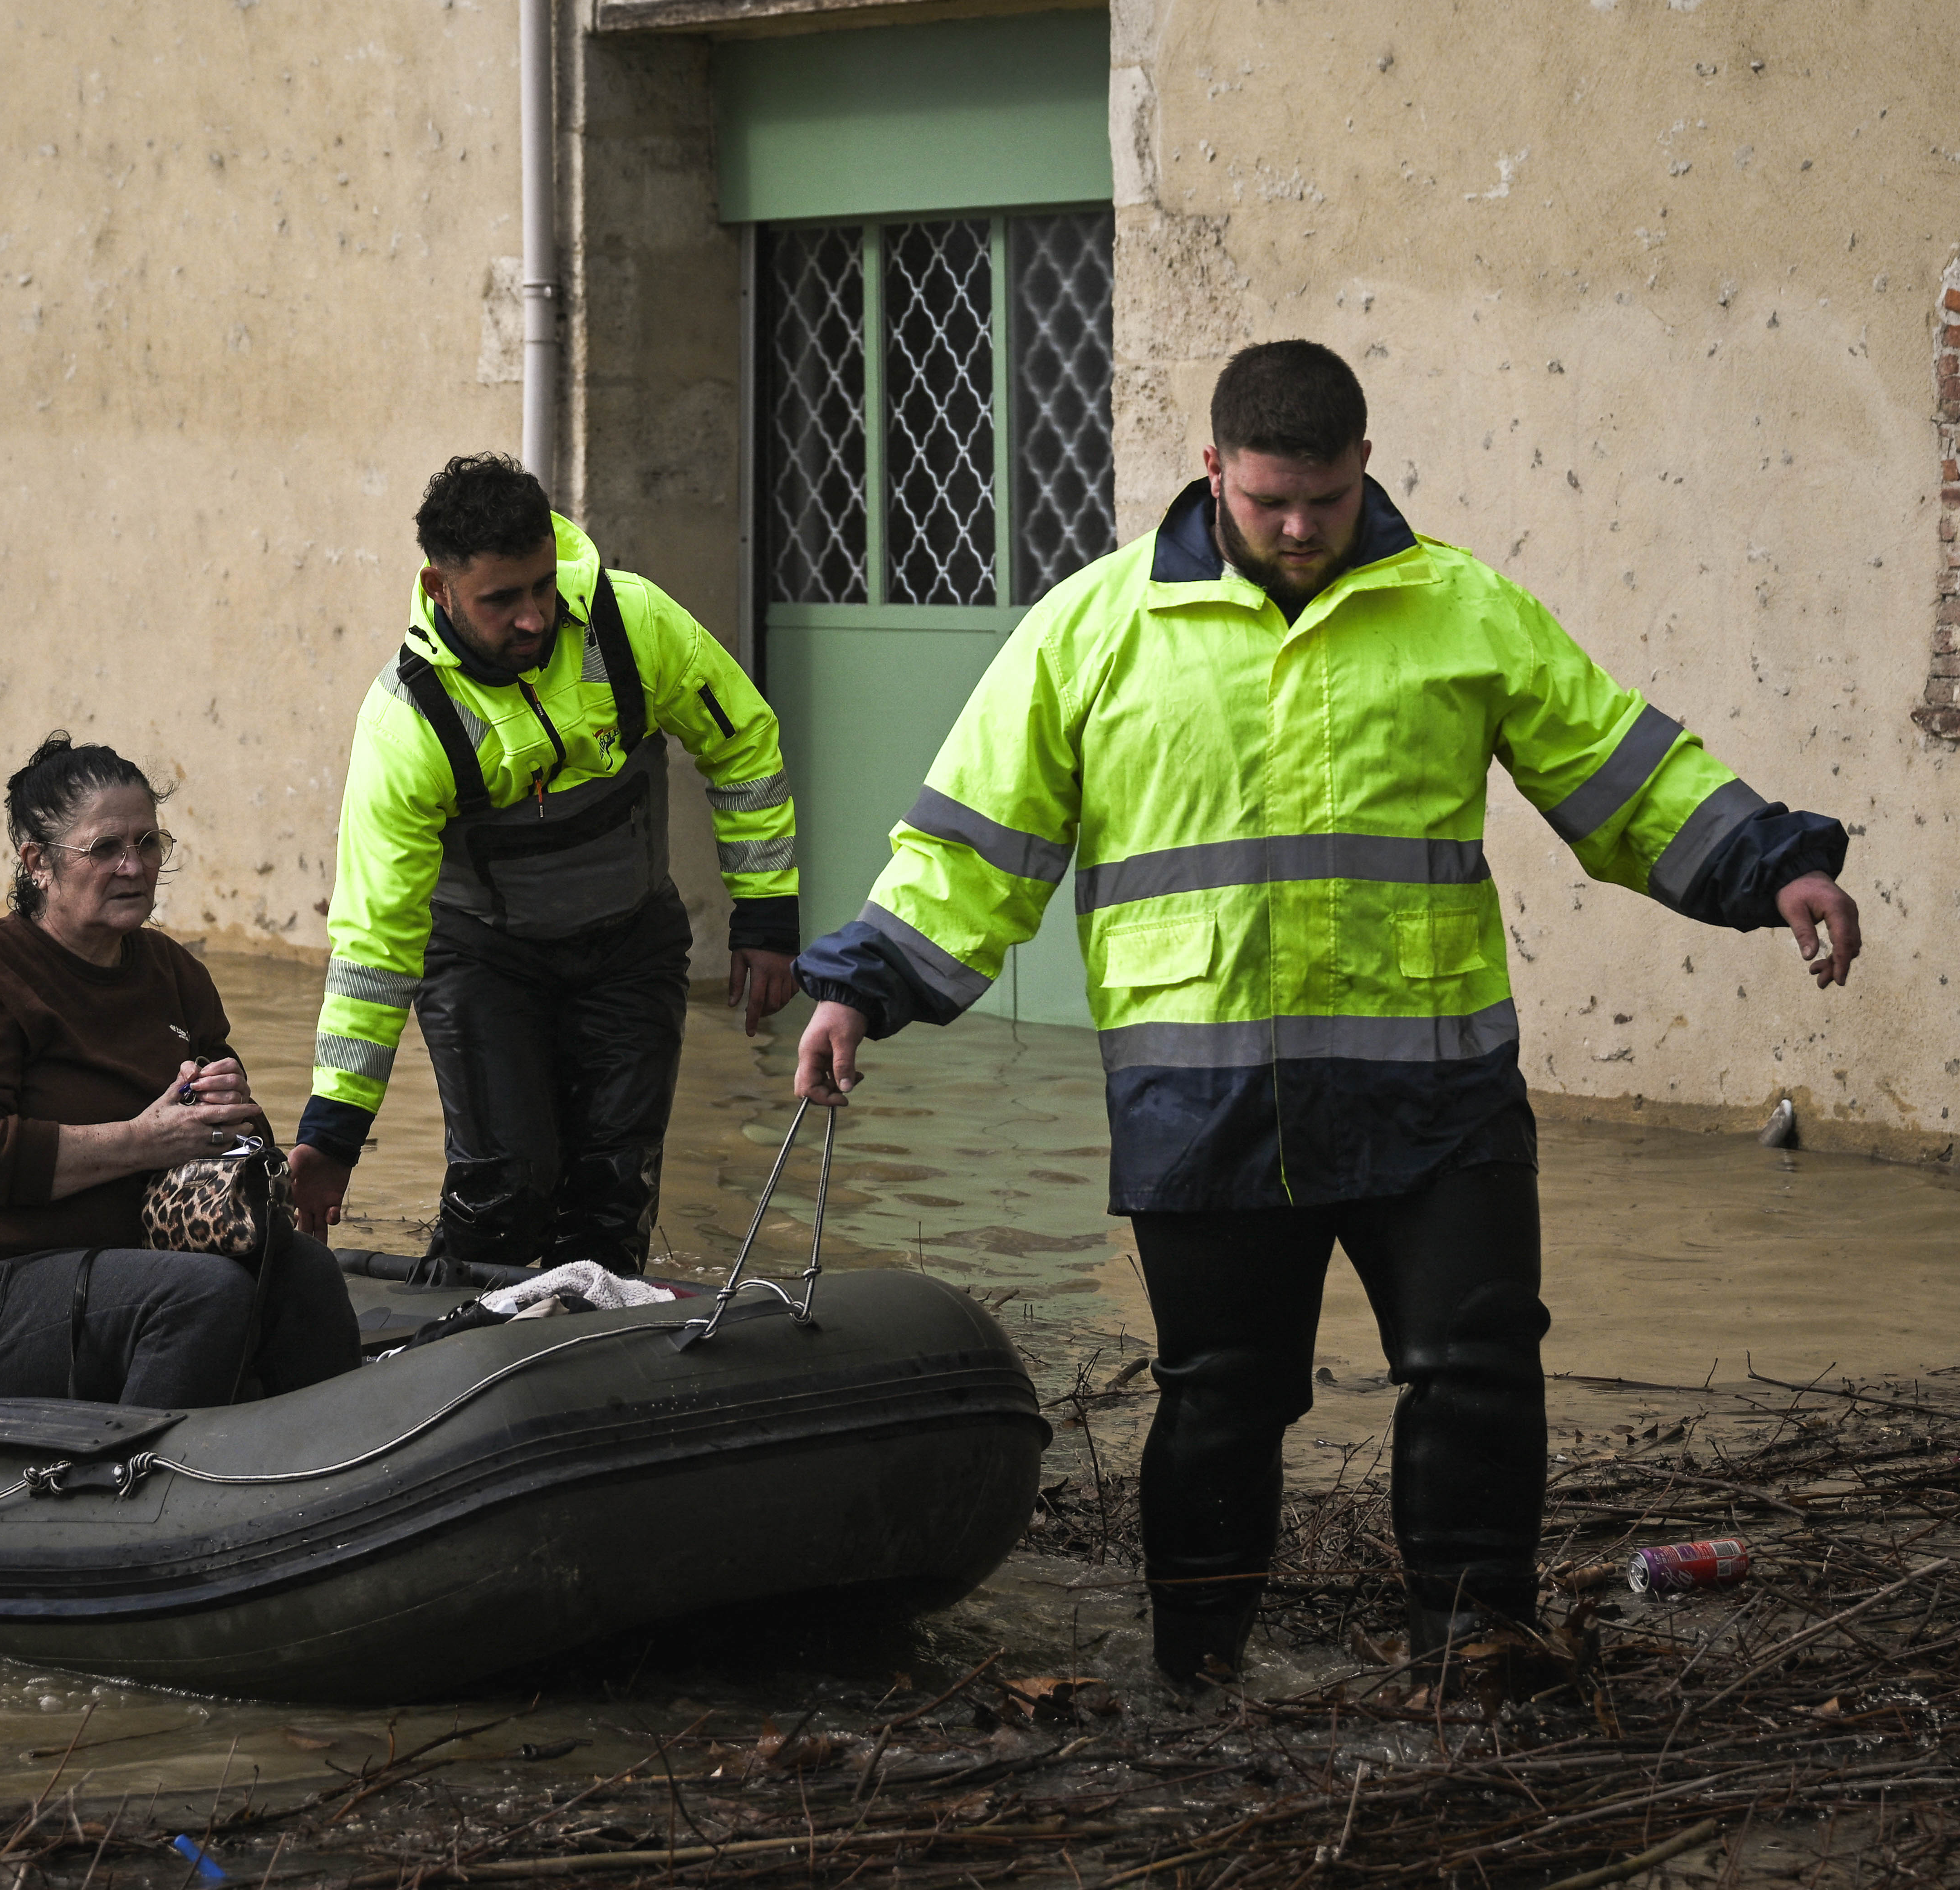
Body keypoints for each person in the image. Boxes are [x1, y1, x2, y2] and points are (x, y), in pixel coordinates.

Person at [789, 340, 1866, 1689]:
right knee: (1223, 1396)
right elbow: (972, 848)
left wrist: (1778, 866)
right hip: (1204, 1103)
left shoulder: (1461, 610)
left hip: (1437, 1089)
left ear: (1366, 463)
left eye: (1323, 498)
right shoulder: (1092, 627)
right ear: (1211, 474)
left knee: (1477, 1369)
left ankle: (1474, 1650)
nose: (1298, 530)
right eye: (1266, 503)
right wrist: (859, 984)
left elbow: (1616, 768)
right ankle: (1198, 1674)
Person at [288, 455, 802, 1276]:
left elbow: (744, 742)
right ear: (441, 587)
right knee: (509, 1188)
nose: (532, 618)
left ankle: (595, 1359)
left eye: (541, 587)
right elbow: (376, 945)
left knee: (611, 1194)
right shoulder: (405, 724)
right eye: (501, 600)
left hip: (630, 947)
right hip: (484, 960)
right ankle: (454, 1337)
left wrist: (767, 913)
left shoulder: (631, 623)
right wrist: (334, 1129)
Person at [0, 735, 360, 1408]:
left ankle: (329, 1464)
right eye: (105, 848)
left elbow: (242, 1147)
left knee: (305, 1268)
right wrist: (143, 1140)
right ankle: (135, 1488)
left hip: (136, 1262)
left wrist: (234, 1114)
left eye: (148, 845)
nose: (134, 867)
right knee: (203, 1297)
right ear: (38, 864)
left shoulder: (174, 973)